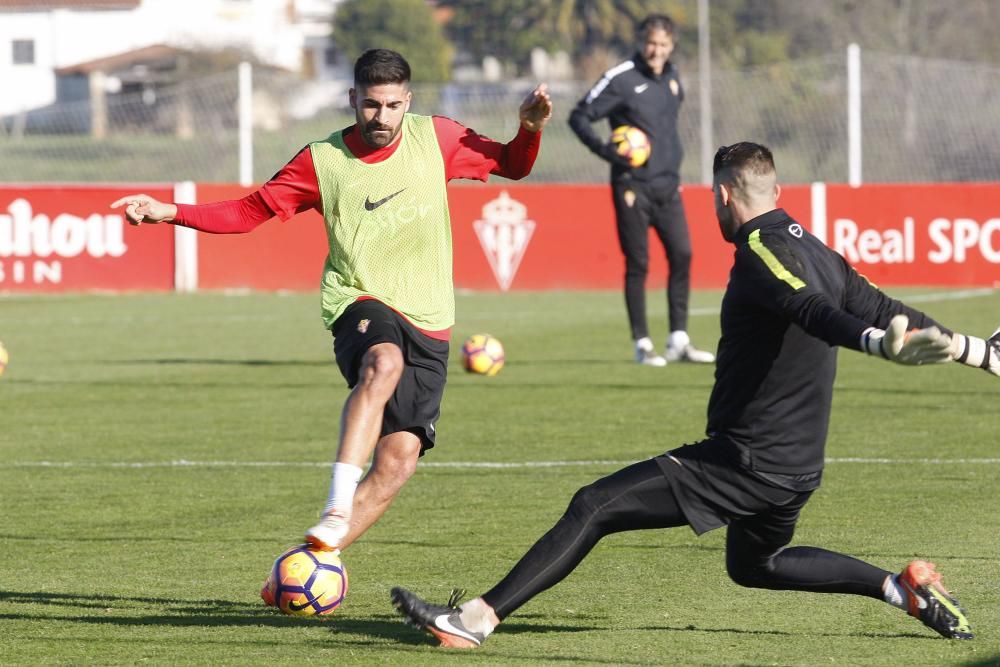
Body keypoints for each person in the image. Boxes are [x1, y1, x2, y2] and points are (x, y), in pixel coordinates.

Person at [390, 141, 999, 647]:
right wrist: (976, 351)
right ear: (778, 193)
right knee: (754, 565)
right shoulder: (819, 249)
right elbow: (888, 308)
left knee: (593, 506)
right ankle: (903, 590)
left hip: (747, 460)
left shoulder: (763, 252)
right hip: (796, 465)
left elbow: (810, 309)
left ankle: (473, 620)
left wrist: (872, 341)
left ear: (723, 196)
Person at [111, 49, 553, 556]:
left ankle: (312, 565)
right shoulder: (320, 160)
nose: (380, 117)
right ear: (352, 100)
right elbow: (247, 212)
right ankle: (337, 503)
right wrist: (166, 212)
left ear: (407, 101)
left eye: (391, 106)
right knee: (382, 363)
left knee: (398, 461)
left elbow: (513, 165)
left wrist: (530, 129)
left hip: (430, 316)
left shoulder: (439, 137)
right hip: (359, 299)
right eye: (369, 105)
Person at [569, 13, 714, 367]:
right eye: (651, 43)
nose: (656, 50)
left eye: (663, 44)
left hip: (669, 184)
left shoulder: (674, 78)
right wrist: (607, 151)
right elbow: (579, 116)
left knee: (682, 254)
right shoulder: (620, 79)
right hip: (632, 186)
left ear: (672, 46)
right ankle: (642, 343)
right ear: (640, 41)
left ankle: (678, 340)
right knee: (639, 262)